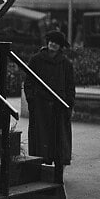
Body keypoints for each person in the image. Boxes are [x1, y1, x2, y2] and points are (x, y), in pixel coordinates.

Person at [24, 30, 75, 183]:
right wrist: (32, 101)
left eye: (56, 42)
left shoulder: (66, 64)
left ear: (61, 46)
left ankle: (58, 176)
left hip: (59, 109)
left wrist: (69, 105)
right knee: (40, 141)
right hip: (40, 108)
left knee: (59, 142)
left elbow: (70, 87)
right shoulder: (36, 60)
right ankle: (38, 175)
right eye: (51, 41)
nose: (53, 44)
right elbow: (28, 83)